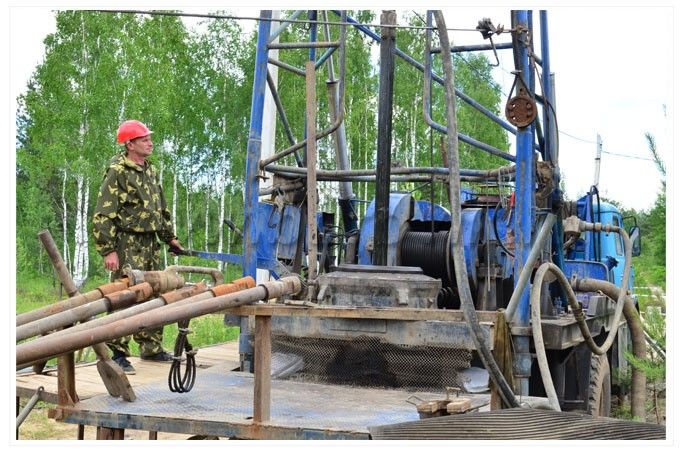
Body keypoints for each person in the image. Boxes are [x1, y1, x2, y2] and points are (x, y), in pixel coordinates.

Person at [93, 119, 183, 374]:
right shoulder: (117, 171)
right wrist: (108, 249)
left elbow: (160, 207)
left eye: (149, 138)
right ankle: (118, 352)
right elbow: (103, 213)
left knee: (155, 290)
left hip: (150, 243)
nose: (150, 142)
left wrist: (169, 237)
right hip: (127, 242)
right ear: (130, 144)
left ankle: (151, 347)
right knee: (125, 295)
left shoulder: (150, 170)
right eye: (144, 139)